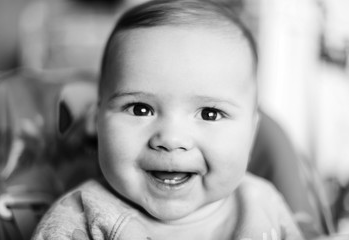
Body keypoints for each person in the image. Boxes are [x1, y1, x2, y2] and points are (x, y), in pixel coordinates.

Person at [32, 0, 304, 239]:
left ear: (251, 132)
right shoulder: (79, 221)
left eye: (210, 114)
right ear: (96, 120)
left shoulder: (266, 205)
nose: (171, 139)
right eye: (140, 109)